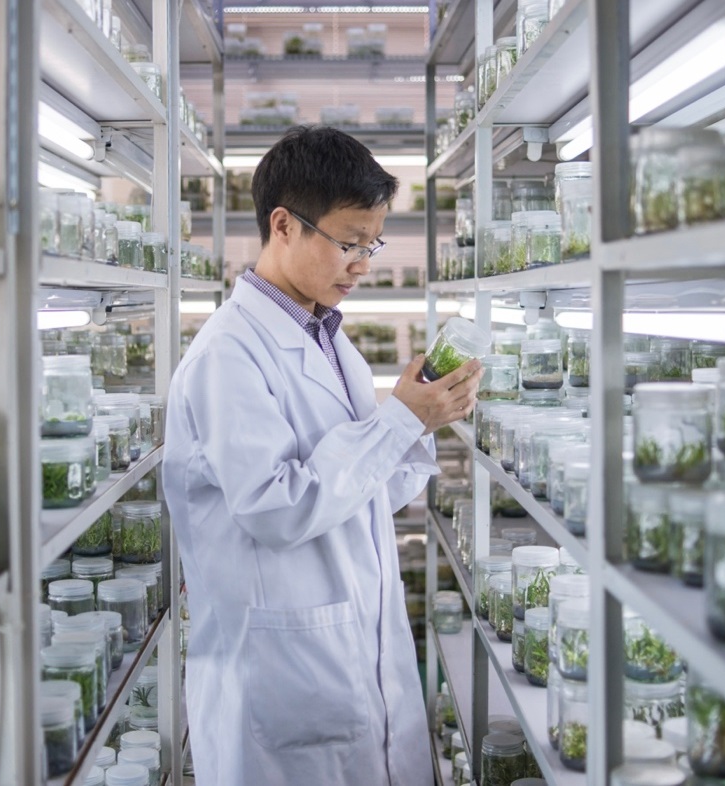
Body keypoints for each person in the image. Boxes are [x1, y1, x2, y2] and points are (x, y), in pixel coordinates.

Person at [162, 125, 484, 785]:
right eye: (347, 242)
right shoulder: (229, 354)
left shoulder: (330, 341)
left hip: (348, 657)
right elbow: (275, 509)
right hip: (279, 680)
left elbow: (365, 494)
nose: (362, 264)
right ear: (283, 225)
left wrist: (418, 420)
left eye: (371, 244)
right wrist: (396, 422)